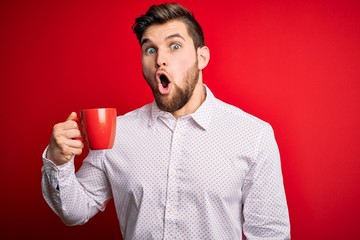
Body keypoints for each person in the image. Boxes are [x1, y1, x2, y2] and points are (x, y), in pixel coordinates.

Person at [42, 2, 290, 239]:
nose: (160, 58)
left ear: (201, 58)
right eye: (150, 49)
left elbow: (270, 234)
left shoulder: (252, 135)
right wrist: (58, 162)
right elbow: (75, 211)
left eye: (174, 46)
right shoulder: (116, 133)